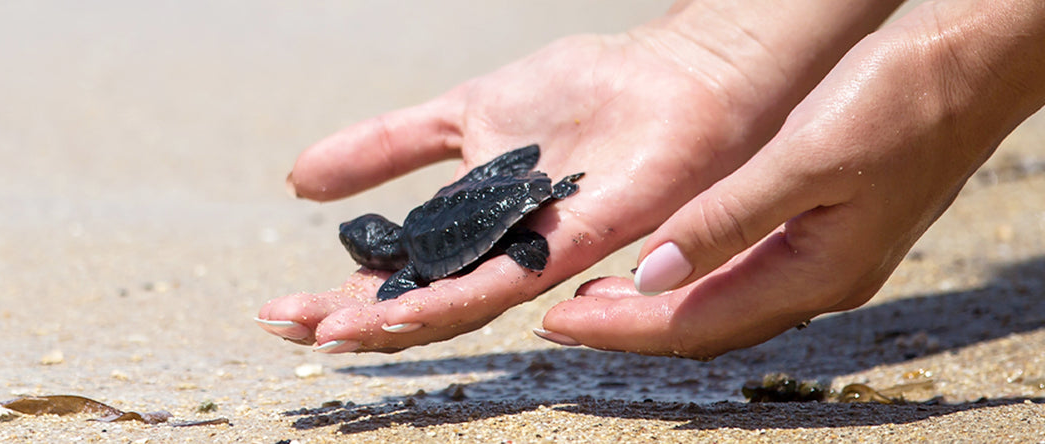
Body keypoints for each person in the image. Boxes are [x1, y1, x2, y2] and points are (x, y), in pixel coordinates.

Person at [255, 0, 1045, 358]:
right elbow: (472, 198)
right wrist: (724, 45)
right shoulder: (420, 237)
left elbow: (452, 228)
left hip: (511, 207)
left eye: (368, 244)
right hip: (512, 199)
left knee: (515, 240)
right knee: (514, 224)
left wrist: (956, 73)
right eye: (367, 241)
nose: (366, 247)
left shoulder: (415, 261)